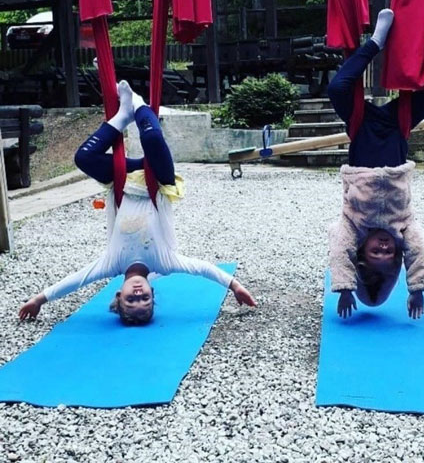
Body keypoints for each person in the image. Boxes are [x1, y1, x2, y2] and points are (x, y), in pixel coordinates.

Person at [19, 81, 256, 325]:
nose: (138, 294)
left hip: (122, 180)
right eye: (145, 299)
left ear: (119, 295)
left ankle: (123, 115)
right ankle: (138, 102)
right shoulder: (164, 262)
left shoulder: (111, 263)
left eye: (131, 300)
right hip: (158, 179)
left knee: (84, 158)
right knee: (151, 138)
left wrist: (39, 299)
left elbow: (78, 279)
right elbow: (203, 268)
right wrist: (235, 286)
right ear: (152, 292)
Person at [327, 9, 424, 320]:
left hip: (361, 125)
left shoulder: (353, 226)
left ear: (362, 249)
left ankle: (376, 43)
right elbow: (419, 251)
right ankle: (403, 42)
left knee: (337, 89)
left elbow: (339, 249)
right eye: (388, 252)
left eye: (374, 251)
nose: (382, 247)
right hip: (397, 126)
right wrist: (416, 288)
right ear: (396, 255)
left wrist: (345, 287)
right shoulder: (404, 226)